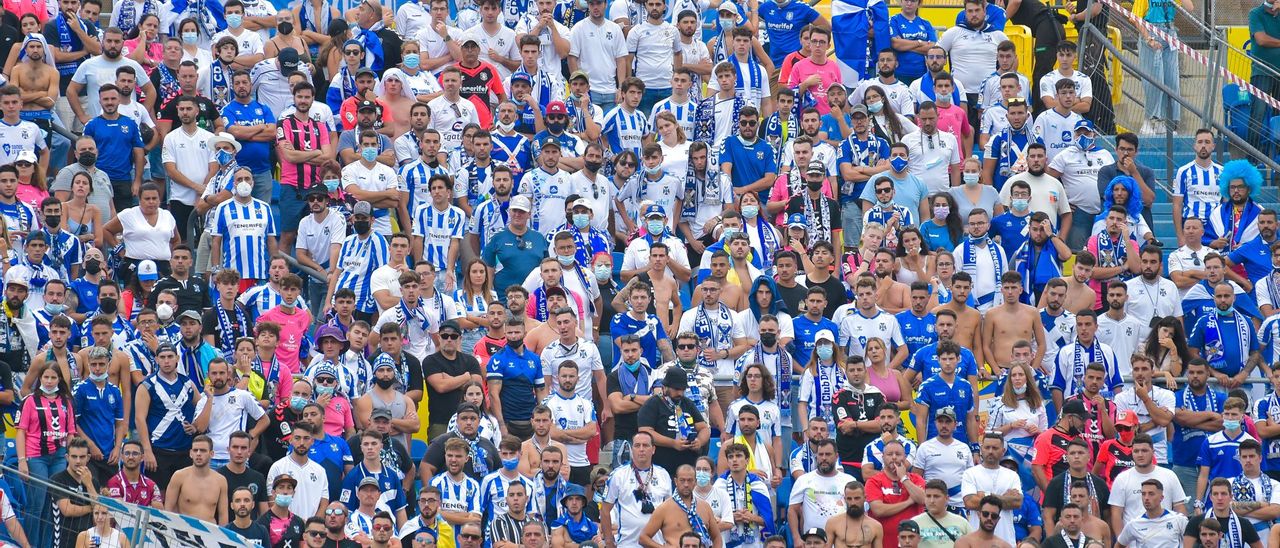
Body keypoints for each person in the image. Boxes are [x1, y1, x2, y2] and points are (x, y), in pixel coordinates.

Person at [600, 432, 672, 548]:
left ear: (653, 449)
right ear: (632, 448)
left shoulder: (663, 475)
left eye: (645, 445)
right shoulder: (618, 475)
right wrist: (609, 541)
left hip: (657, 543)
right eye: (637, 445)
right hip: (627, 544)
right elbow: (605, 510)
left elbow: (670, 512)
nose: (641, 449)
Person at [789, 438, 857, 542]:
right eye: (820, 454)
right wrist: (797, 538)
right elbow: (792, 510)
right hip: (813, 541)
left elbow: (859, 511)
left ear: (836, 456)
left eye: (828, 454)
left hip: (842, 540)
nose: (824, 458)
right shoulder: (804, 480)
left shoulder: (849, 480)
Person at [638, 465, 722, 548]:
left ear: (695, 482)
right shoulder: (664, 508)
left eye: (690, 480)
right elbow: (643, 538)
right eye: (682, 480)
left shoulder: (705, 507)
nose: (686, 484)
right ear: (675, 481)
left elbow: (717, 537)